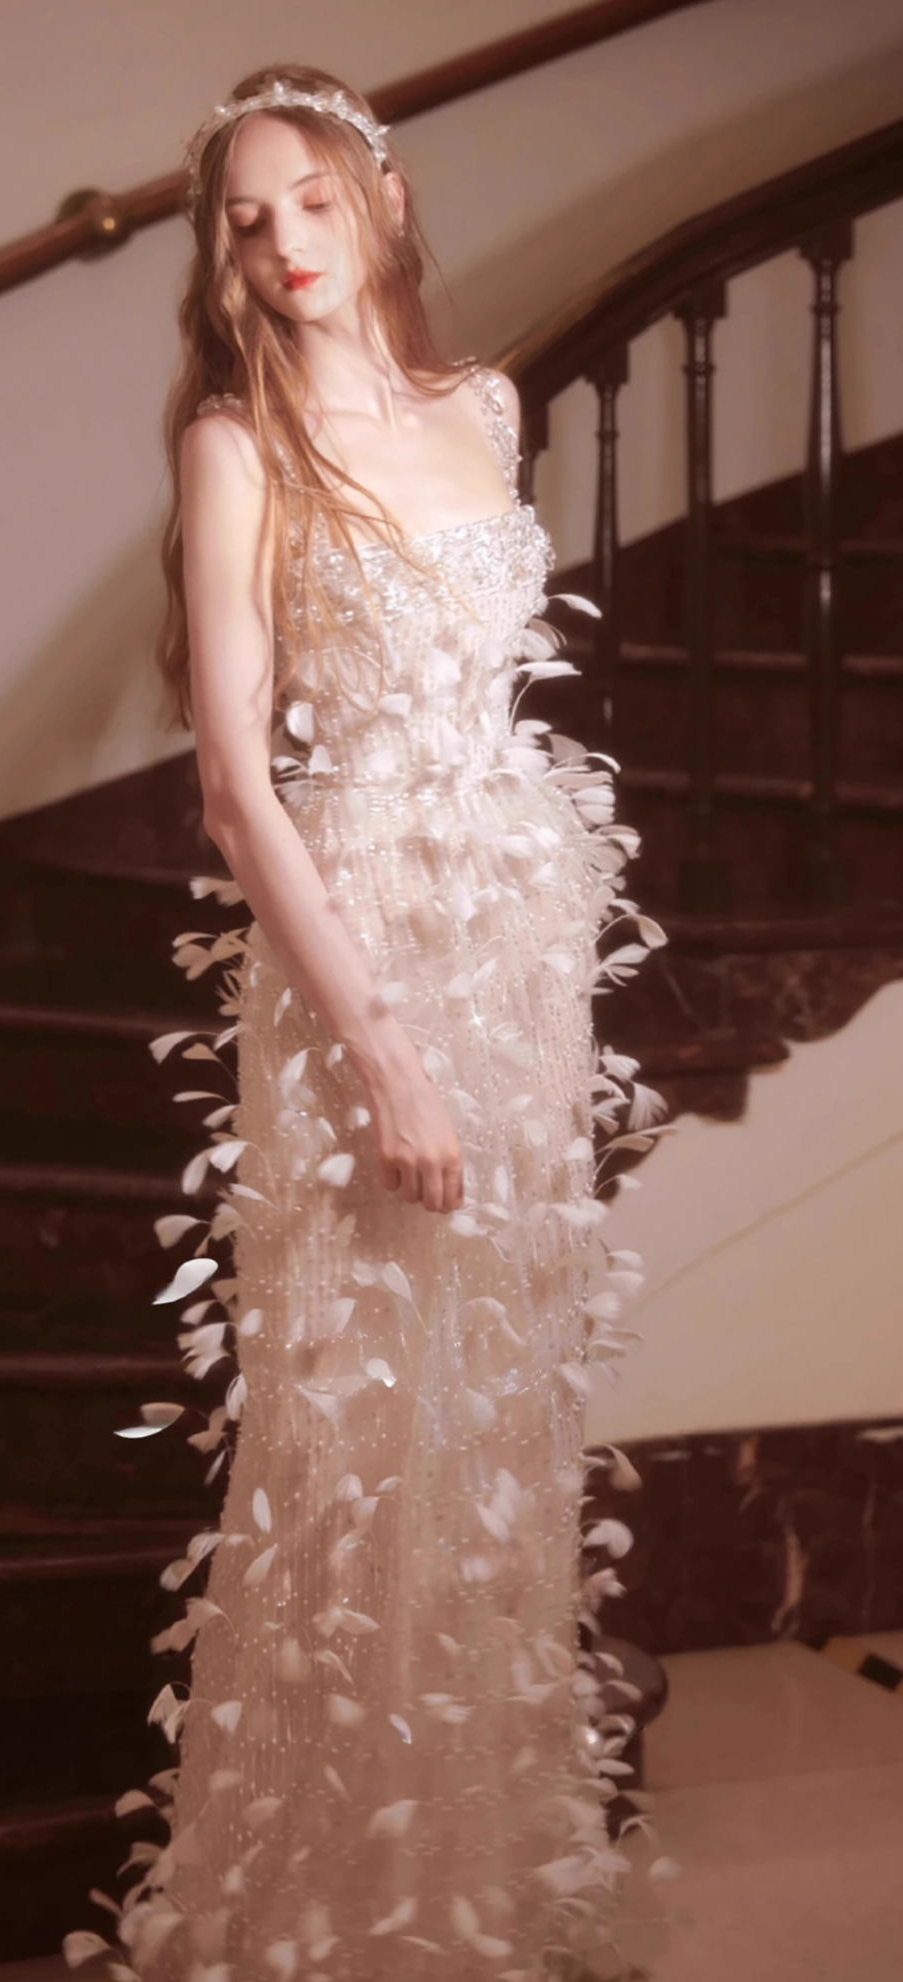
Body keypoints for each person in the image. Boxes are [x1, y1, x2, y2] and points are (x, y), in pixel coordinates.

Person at [64, 63, 677, 1982]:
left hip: (516, 933)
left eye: (308, 200)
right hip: (362, 962)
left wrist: (521, 968)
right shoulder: (238, 445)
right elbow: (239, 789)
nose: (279, 240)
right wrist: (389, 1050)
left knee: (496, 1411)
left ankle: (482, 1881)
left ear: (380, 204)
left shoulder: (484, 410)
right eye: (245, 217)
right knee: (360, 1434)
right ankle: (341, 1918)